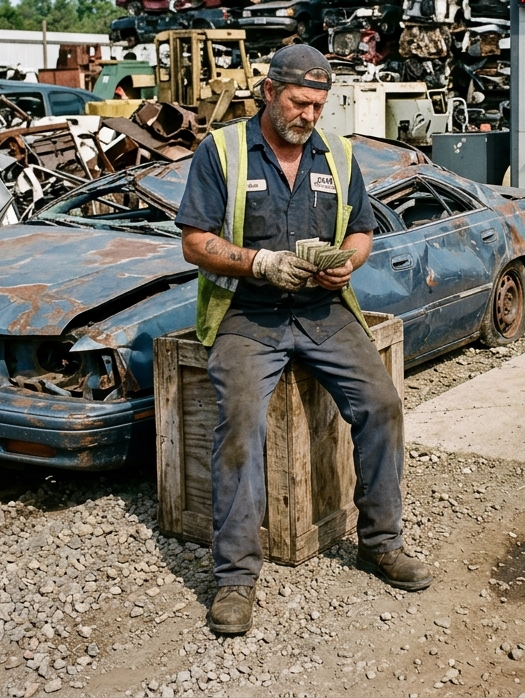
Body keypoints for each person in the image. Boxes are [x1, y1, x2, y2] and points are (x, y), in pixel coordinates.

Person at [176, 44, 431, 636]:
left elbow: (363, 229)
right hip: (249, 312)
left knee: (383, 405)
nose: (310, 115)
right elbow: (194, 241)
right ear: (269, 93)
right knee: (240, 422)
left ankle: (380, 543)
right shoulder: (223, 151)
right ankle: (235, 577)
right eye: (299, 102)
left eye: (319, 105)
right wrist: (260, 263)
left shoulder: (337, 155)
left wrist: (348, 265)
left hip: (323, 310)